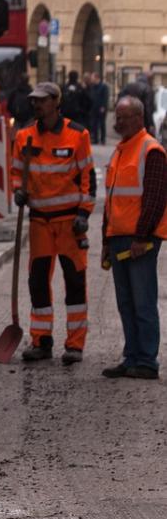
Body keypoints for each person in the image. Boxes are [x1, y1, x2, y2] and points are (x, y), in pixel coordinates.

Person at [10, 81, 96, 364]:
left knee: (74, 281)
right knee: (38, 282)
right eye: (34, 100)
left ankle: (74, 345)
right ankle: (41, 341)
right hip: (39, 223)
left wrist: (84, 213)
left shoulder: (77, 135)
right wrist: (17, 191)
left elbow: (88, 178)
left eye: (43, 100)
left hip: (69, 222)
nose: (36, 104)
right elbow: (16, 172)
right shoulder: (24, 137)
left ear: (56, 103)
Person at [100, 96, 167, 380]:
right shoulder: (120, 151)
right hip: (118, 237)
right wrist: (106, 239)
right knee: (126, 303)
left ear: (139, 118)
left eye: (124, 117)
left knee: (142, 301)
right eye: (117, 116)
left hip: (140, 239)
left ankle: (147, 361)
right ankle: (131, 357)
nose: (118, 122)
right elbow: (112, 200)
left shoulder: (151, 150)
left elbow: (154, 198)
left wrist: (141, 237)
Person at [88, 72, 108, 144]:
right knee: (94, 124)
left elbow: (105, 97)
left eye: (92, 78)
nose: (91, 79)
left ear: (96, 78)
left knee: (102, 124)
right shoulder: (93, 87)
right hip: (94, 108)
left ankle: (103, 139)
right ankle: (95, 139)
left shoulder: (103, 86)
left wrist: (103, 107)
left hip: (101, 108)